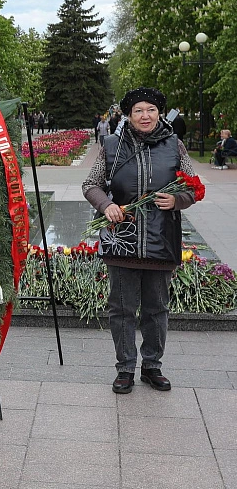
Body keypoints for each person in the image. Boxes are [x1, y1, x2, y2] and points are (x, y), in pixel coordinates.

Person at [82, 87, 199, 395]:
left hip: (161, 239)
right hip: (122, 240)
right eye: (138, 110)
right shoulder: (111, 145)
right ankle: (125, 368)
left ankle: (152, 366)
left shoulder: (175, 145)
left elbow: (193, 188)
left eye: (151, 110)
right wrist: (106, 205)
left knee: (156, 308)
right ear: (129, 115)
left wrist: (177, 201)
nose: (145, 115)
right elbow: (90, 184)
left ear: (159, 113)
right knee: (122, 308)